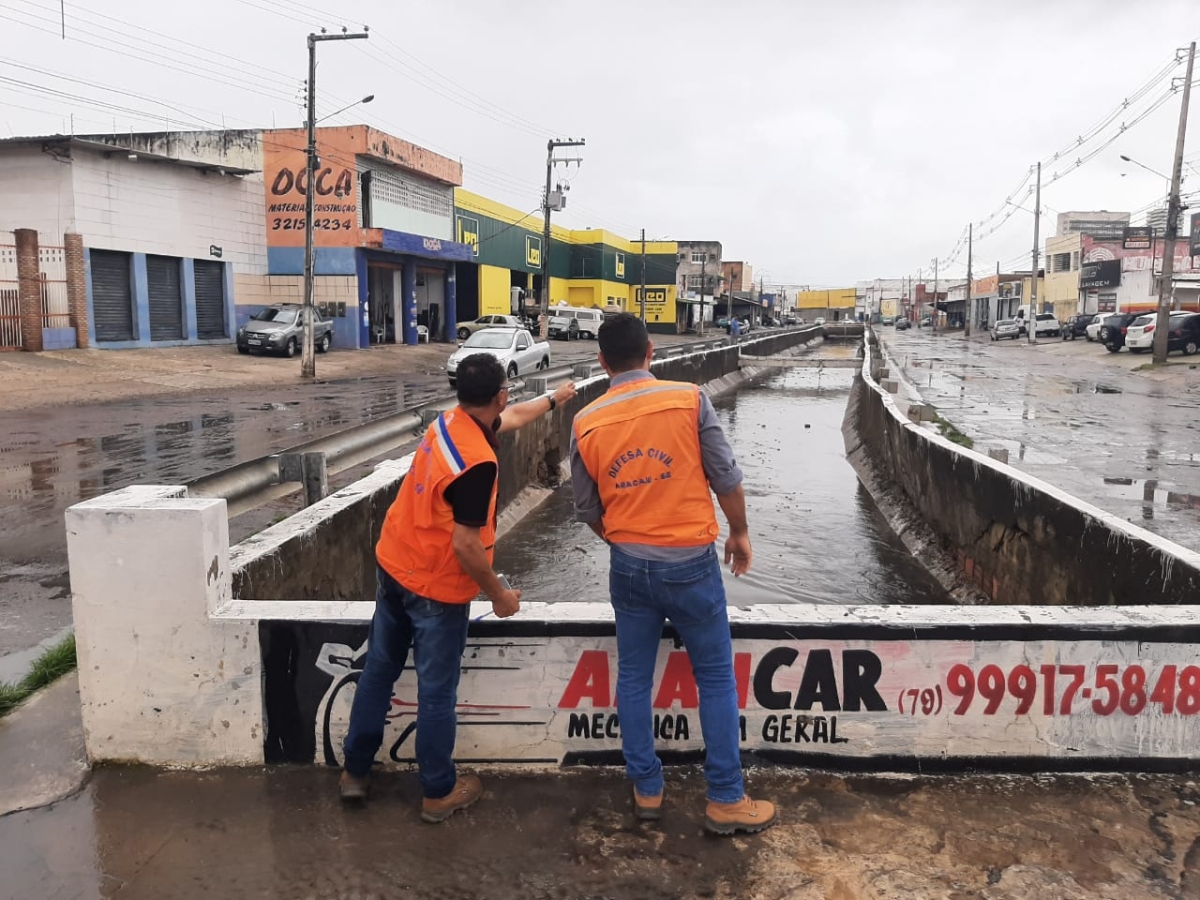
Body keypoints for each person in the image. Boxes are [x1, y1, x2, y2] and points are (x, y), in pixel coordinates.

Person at [340, 353, 577, 821]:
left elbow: (508, 418)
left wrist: (553, 400)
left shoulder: (448, 424)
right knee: (436, 693)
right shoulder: (479, 463)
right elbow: (467, 546)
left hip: (394, 565)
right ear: (499, 393)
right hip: (434, 588)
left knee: (378, 673)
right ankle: (437, 791)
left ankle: (354, 772)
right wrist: (500, 595)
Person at [569, 314, 777, 836]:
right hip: (691, 563)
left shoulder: (585, 422)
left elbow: (587, 509)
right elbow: (725, 476)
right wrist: (740, 532)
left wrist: (623, 544)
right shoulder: (688, 399)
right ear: (651, 352)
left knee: (634, 677)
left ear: (602, 362)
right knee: (714, 677)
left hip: (629, 568)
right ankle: (726, 798)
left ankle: (647, 789)